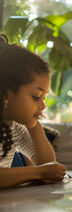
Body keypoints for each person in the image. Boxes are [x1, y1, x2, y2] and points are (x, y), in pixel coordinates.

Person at [0, 34, 66, 187]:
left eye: (44, 97)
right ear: (6, 93)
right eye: (36, 97)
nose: (43, 105)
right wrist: (38, 172)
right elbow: (44, 170)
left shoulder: (15, 127)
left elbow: (48, 164)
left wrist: (34, 123)